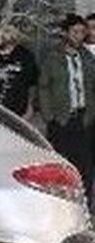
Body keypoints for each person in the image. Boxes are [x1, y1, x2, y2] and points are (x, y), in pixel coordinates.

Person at [38, 14, 95, 197]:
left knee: (85, 166)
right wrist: (49, 115)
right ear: (65, 33)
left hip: (84, 118)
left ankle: (85, 202)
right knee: (61, 165)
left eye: (82, 32)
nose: (79, 36)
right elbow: (43, 86)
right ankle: (62, 202)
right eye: (75, 32)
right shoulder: (53, 57)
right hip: (61, 118)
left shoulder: (87, 57)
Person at [0, 17, 39, 119]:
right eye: (0, 30)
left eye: (7, 31)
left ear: (16, 34)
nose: (2, 34)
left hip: (16, 115)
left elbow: (33, 84)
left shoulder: (26, 56)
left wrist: (30, 108)